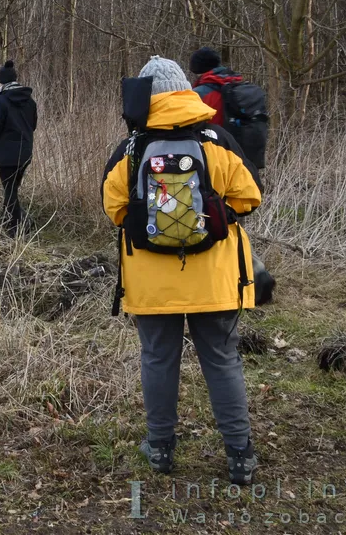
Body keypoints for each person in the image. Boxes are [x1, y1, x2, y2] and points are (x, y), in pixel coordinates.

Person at [102, 56, 263, 485]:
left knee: (158, 359)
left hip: (152, 283)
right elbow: (251, 196)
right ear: (184, 92)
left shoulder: (132, 148)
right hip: (213, 278)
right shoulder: (216, 138)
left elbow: (113, 207)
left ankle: (159, 450)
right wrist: (217, 216)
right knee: (222, 359)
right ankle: (240, 456)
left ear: (146, 97)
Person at [190, 47, 275, 304]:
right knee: (229, 222)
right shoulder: (237, 86)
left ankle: (253, 274)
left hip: (217, 167)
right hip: (244, 165)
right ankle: (248, 275)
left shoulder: (203, 93)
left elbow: (196, 131)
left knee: (219, 225)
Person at [0, 60, 38, 237]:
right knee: (12, 187)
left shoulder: (1, 101)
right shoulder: (30, 101)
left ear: (1, 81)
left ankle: (17, 228)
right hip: (25, 152)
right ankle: (7, 219)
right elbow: (32, 125)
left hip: (7, 154)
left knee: (9, 189)